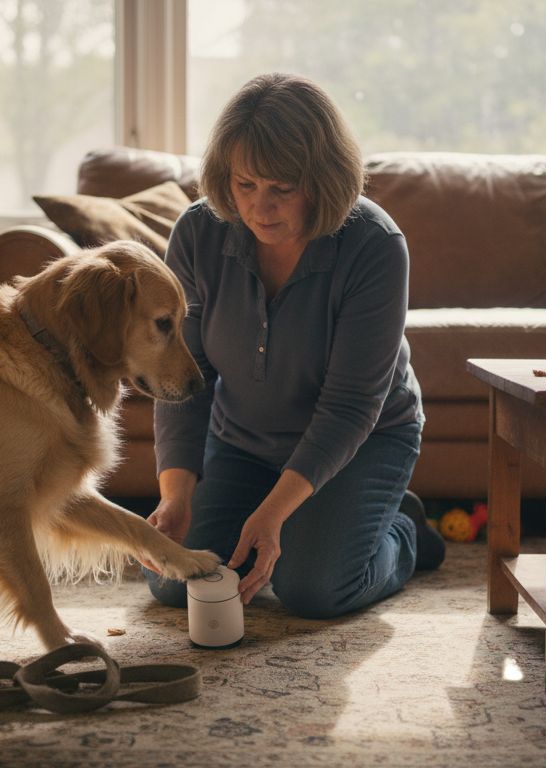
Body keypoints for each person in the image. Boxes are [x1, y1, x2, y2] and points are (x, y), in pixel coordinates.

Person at [144, 72, 444, 620]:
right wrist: (176, 495)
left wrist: (273, 513)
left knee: (312, 589)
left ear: (322, 180)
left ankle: (403, 531)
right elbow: (184, 377)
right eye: (245, 185)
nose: (260, 208)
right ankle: (329, 520)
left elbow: (350, 406)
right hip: (243, 442)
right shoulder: (198, 233)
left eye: (282, 188)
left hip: (362, 441)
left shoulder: (375, 245)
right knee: (174, 580)